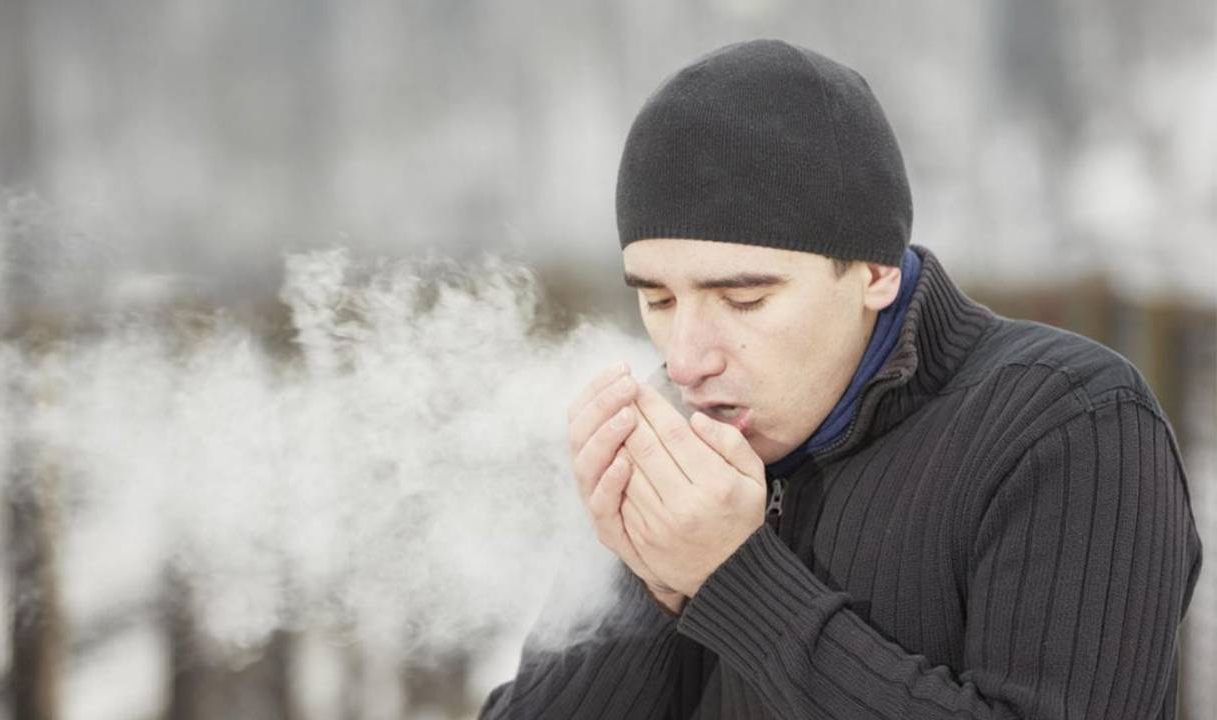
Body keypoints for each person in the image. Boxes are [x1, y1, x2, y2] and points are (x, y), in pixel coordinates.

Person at [481, 39, 1202, 719]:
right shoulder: (672, 441)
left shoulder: (1070, 427)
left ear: (875, 271)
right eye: (659, 300)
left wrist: (736, 579)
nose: (687, 357)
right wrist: (652, 582)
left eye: (744, 299)